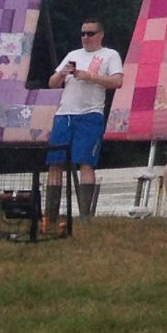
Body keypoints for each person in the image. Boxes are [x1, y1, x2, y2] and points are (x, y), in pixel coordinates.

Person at [47, 18, 124, 222]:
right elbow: (52, 83)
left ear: (100, 35)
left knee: (85, 162)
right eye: (83, 33)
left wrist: (90, 76)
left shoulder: (110, 55)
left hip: (90, 114)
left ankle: (84, 215)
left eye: (90, 33)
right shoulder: (73, 55)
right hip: (65, 113)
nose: (86, 38)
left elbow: (117, 81)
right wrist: (63, 73)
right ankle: (51, 215)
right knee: (55, 163)